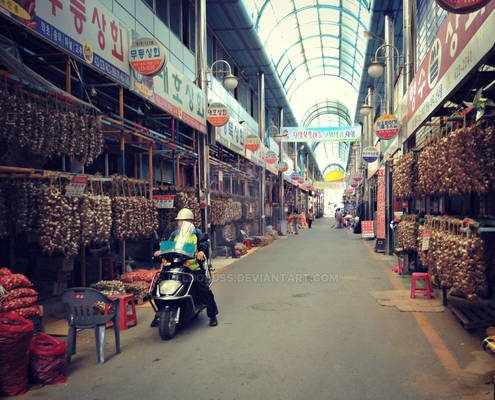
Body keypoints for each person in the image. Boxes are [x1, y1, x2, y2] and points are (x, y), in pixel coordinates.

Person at [153, 208, 218, 327]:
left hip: (193, 268)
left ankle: (212, 315)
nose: (180, 223)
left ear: (190, 221)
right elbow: (168, 245)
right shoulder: (174, 234)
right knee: (159, 284)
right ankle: (159, 314)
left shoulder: (197, 233)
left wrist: (201, 252)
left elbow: (203, 246)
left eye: (183, 221)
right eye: (179, 221)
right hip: (176, 265)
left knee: (204, 290)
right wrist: (160, 251)